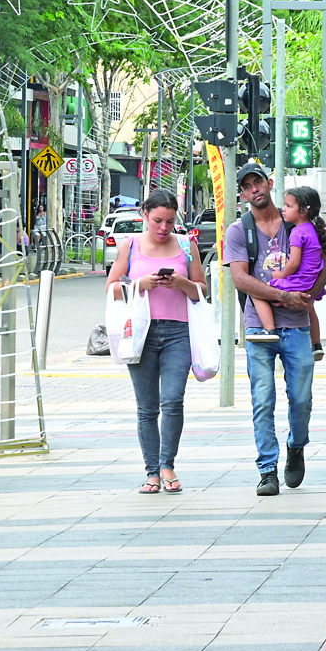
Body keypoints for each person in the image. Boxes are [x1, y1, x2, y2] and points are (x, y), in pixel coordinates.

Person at [225, 162, 326, 496]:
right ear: (242, 193)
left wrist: (306, 298)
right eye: (247, 186)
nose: (254, 189)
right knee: (262, 398)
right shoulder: (239, 230)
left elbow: (324, 269)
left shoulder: (295, 222)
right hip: (259, 327)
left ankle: (296, 446)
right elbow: (240, 278)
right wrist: (282, 294)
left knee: (301, 399)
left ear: (269, 184)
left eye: (258, 182)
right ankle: (267, 469)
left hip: (297, 326)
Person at [106, 188, 206, 495]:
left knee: (173, 400)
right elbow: (112, 287)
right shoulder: (130, 245)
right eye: (157, 221)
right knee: (147, 407)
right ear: (145, 217)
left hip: (178, 331)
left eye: (170, 222)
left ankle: (167, 465)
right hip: (140, 333)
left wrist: (182, 283)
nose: (163, 228)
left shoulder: (187, 245)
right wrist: (139, 284)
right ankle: (151, 472)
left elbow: (202, 289)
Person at [249, 186, 326, 342]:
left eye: (289, 206)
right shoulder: (314, 229)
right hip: (311, 281)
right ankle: (316, 344)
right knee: (310, 308)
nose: (283, 209)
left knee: (258, 292)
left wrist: (281, 274)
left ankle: (269, 329)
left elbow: (294, 263)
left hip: (298, 282)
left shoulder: (297, 232)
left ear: (303, 211)